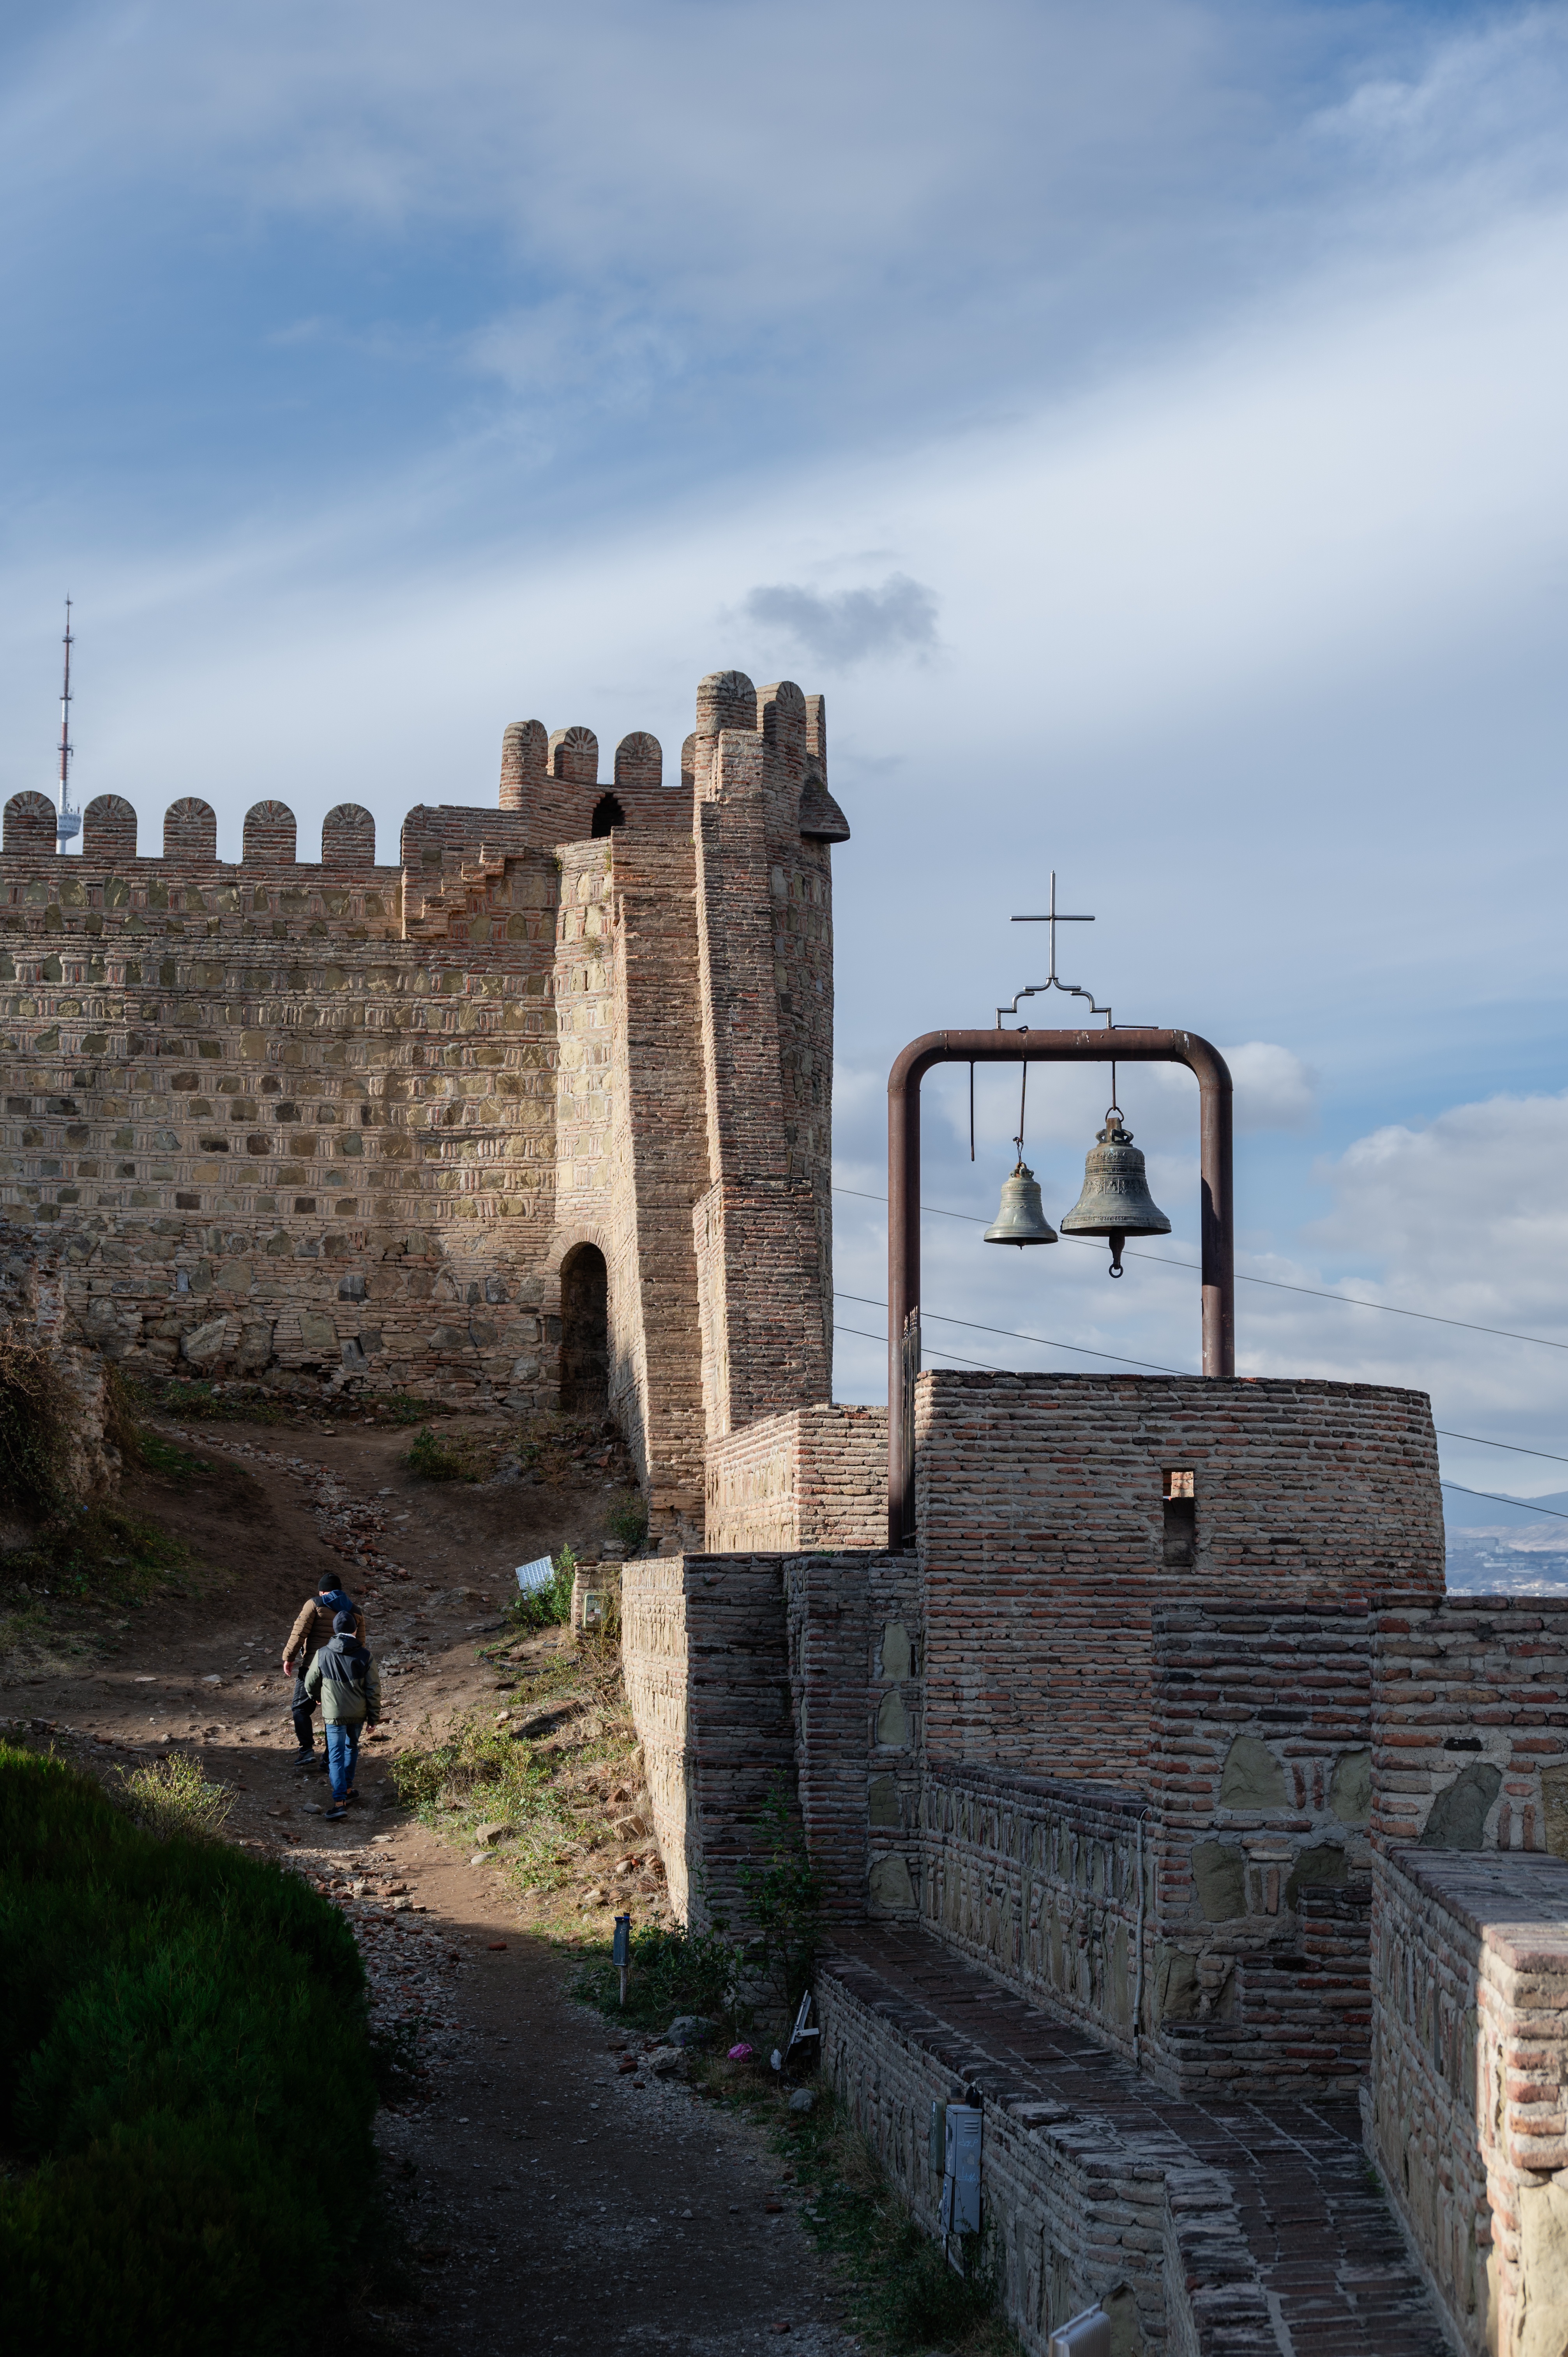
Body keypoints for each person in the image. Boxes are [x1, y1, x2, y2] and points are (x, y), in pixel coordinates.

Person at [304, 1609, 381, 1820]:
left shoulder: (323, 1653)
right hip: (358, 1712)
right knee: (351, 1748)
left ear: (335, 1629)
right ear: (355, 1631)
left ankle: (340, 1802)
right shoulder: (365, 1655)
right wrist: (374, 1718)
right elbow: (373, 1689)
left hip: (334, 1714)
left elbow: (310, 1682)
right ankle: (347, 1790)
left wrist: (316, 1696)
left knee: (336, 1755)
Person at [282, 1580, 366, 1769]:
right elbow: (360, 1645)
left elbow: (300, 1631)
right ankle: (329, 1760)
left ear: (323, 1592)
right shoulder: (356, 1610)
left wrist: (289, 1657)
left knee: (300, 1709)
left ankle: (306, 1751)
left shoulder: (315, 1603)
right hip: (340, 1672)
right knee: (333, 1716)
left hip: (313, 1665)